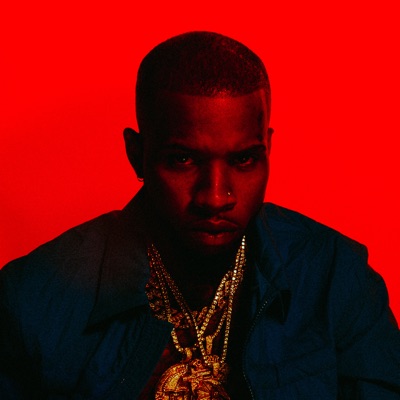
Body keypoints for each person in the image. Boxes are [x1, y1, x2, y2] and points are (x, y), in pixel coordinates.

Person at [0, 31, 399, 400]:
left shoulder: (336, 277)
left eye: (244, 160)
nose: (215, 197)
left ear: (267, 150)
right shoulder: (32, 301)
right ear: (137, 154)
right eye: (183, 160)